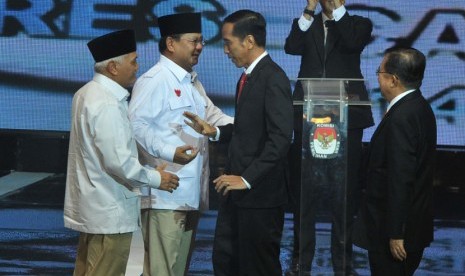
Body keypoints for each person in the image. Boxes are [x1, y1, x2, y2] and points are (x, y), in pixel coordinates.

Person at [184, 9, 293, 276]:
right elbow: (249, 128)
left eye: (228, 43)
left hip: (259, 198)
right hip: (237, 195)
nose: (225, 51)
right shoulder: (248, 77)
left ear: (249, 42)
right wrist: (217, 132)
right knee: (227, 262)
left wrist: (246, 179)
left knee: (257, 267)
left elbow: (280, 139)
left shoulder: (273, 78)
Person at [63, 29, 179, 276]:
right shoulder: (106, 103)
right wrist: (158, 179)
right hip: (109, 214)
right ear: (113, 67)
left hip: (95, 209)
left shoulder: (85, 94)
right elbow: (120, 165)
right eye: (133, 61)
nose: (138, 67)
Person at [128, 12, 234, 276]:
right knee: (160, 270)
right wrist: (168, 152)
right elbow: (135, 126)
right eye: (193, 41)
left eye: (201, 41)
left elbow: (216, 118)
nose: (199, 47)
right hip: (164, 196)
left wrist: (260, 122)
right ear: (171, 43)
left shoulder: (192, 82)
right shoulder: (155, 80)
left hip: (190, 194)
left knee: (176, 269)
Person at [284, 0, 374, 274]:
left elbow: (351, 43)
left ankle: (343, 259)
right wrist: (310, 9)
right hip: (307, 116)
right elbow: (292, 47)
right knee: (305, 194)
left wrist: (335, 9)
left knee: (343, 193)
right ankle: (301, 257)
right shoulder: (308, 22)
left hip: (346, 117)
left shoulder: (358, 24)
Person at [357, 47, 436, 275]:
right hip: (411, 228)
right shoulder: (420, 107)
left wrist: (396, 233)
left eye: (378, 72)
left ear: (393, 80)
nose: (377, 77)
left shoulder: (402, 117)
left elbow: (401, 178)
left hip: (394, 235)